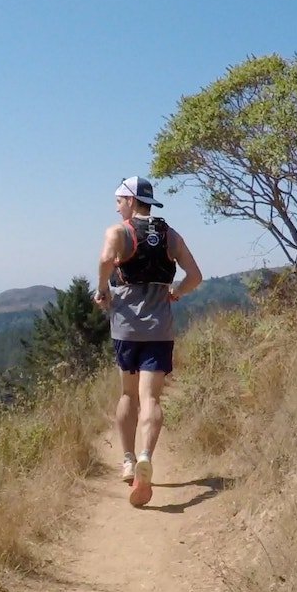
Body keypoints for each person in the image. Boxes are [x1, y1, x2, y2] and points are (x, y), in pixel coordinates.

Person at [95, 176, 201, 507]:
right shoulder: (170, 235)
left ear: (130, 200)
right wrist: (176, 292)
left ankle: (128, 460)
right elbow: (195, 276)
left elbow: (105, 261)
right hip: (159, 329)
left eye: (119, 201)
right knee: (151, 398)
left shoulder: (118, 232)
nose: (117, 207)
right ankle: (145, 456)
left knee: (128, 394)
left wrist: (102, 289)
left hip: (126, 329)